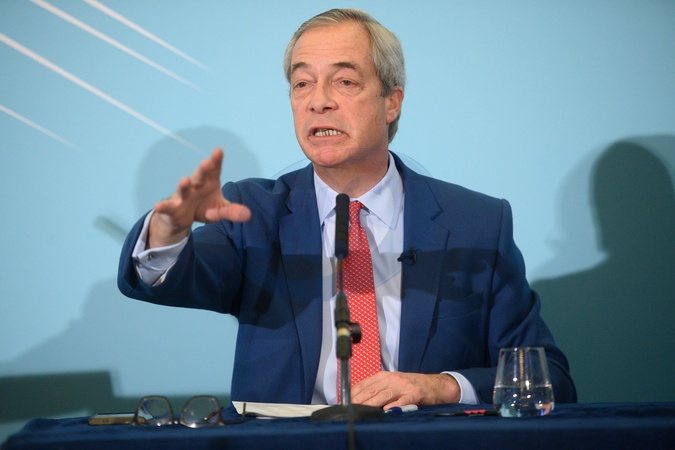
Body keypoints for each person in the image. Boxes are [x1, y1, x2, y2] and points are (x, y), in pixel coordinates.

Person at [118, 8, 576, 410]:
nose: (318, 101)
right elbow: (176, 277)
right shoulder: (253, 214)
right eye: (302, 83)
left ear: (391, 101)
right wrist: (168, 229)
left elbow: (548, 379)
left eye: (345, 81)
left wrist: (442, 387)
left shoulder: (476, 223)